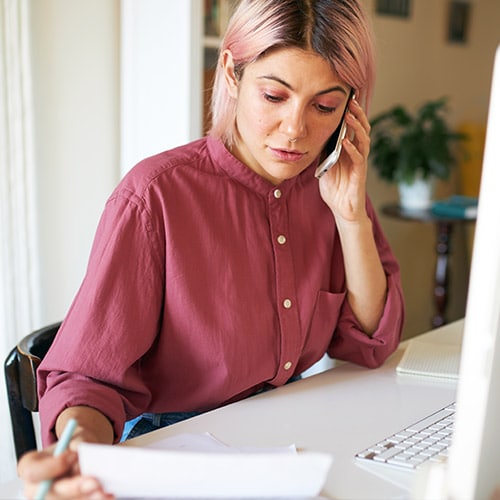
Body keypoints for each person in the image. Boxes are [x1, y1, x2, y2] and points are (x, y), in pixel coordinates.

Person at [18, 0, 404, 498]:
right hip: (171, 445)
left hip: (279, 439)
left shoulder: (333, 190)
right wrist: (78, 459)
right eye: (273, 95)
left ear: (351, 109)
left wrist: (351, 220)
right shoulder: (154, 197)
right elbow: (88, 378)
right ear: (231, 73)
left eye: (324, 106)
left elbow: (369, 343)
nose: (295, 129)